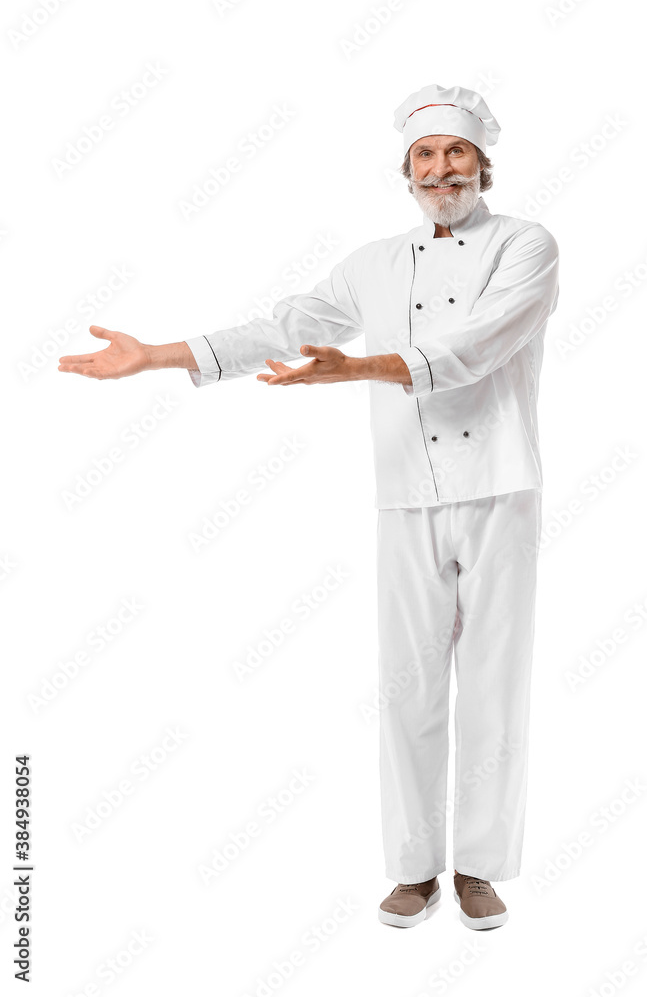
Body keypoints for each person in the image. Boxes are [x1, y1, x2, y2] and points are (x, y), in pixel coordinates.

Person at [58, 83, 560, 931]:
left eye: (456, 154)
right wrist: (157, 356)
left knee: (493, 687)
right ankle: (412, 870)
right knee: (405, 688)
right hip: (403, 491)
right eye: (425, 156)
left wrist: (360, 370)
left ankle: (478, 866)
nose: (441, 169)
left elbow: (477, 346)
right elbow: (289, 323)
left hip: (501, 486)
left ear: (482, 164)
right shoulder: (370, 262)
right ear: (406, 171)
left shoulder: (526, 244)